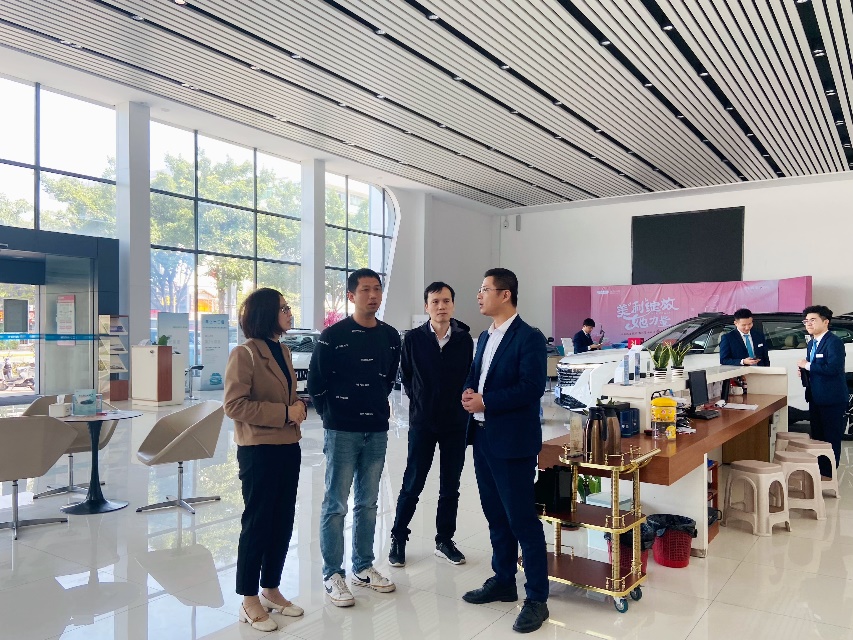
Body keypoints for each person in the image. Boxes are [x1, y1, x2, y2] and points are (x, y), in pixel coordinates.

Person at [461, 268, 549, 634]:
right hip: (484, 438)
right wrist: (469, 392)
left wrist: (487, 401)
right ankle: (503, 580)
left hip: (512, 443)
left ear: (505, 294)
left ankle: (537, 598)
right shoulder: (485, 336)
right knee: (495, 516)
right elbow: (476, 374)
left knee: (522, 520)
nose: (479, 295)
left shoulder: (529, 337)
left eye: (485, 289)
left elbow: (532, 387)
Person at [308, 268, 401, 607]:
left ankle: (362, 566)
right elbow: (316, 384)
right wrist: (334, 415)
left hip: (376, 428)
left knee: (369, 501)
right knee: (336, 503)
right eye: (365, 290)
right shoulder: (333, 336)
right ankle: (333, 573)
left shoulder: (390, 336)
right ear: (351, 296)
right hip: (342, 430)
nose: (373, 295)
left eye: (377, 289)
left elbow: (387, 379)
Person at [224, 288, 307, 633]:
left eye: (288, 307)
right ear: (265, 314)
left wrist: (298, 407)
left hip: (288, 445)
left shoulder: (283, 350)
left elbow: (287, 395)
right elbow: (234, 405)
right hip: (258, 449)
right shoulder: (245, 354)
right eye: (283, 308)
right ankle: (248, 598)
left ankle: (270, 588)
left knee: (283, 519)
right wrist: (285, 413)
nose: (289, 312)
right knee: (258, 521)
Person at [389, 282, 473, 568]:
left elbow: (469, 375)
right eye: (435, 301)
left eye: (446, 301)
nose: (441, 306)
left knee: (450, 485)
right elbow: (407, 376)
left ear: (453, 305)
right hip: (423, 422)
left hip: (455, 423)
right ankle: (398, 536)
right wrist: (421, 402)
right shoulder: (413, 339)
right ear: (426, 306)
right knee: (413, 482)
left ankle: (444, 540)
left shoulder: (464, 339)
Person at [797, 305, 847, 478]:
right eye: (806, 321)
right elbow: (815, 367)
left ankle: (829, 474)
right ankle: (819, 471)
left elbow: (833, 369)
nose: (808, 324)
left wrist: (808, 365)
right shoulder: (812, 343)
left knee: (831, 438)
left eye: (813, 320)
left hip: (832, 398)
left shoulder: (834, 342)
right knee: (817, 437)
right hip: (815, 397)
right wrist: (804, 371)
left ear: (826, 322)